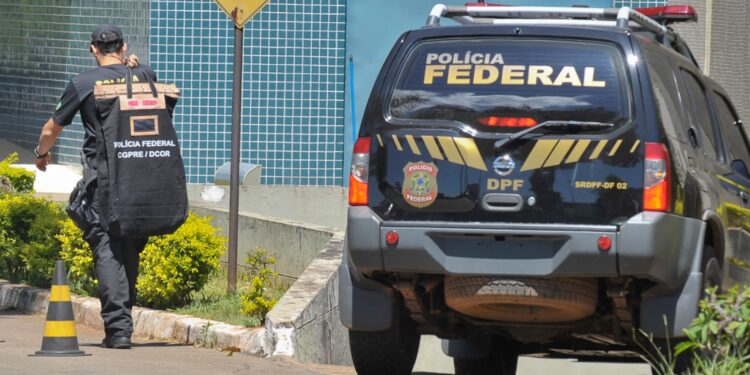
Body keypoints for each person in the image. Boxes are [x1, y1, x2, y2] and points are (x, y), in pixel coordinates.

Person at [34, 24, 155, 349]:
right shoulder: (143, 75)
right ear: (124, 46)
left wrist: (41, 154)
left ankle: (118, 331)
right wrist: (137, 68)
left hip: (103, 178)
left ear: (93, 49)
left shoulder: (83, 83)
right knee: (128, 247)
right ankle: (122, 323)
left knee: (106, 245)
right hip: (141, 175)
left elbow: (51, 128)